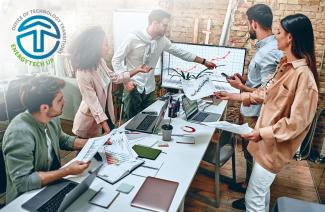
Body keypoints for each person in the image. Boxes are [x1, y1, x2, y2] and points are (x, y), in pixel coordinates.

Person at [215, 13, 319, 212]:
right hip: (263, 144)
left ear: (290, 38)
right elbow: (265, 94)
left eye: (279, 32)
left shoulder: (304, 78)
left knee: (254, 200)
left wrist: (261, 133)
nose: (275, 36)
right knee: (260, 193)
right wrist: (232, 96)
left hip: (272, 148)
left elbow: (296, 123)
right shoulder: (285, 66)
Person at [112, 9, 217, 121]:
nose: (166, 29)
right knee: (130, 123)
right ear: (155, 23)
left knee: (149, 121)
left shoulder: (162, 41)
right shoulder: (133, 38)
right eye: (165, 25)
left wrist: (204, 62)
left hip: (149, 89)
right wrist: (126, 81)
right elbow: (116, 60)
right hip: (133, 87)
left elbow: (181, 52)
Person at [227, 4, 283, 210]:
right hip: (252, 110)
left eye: (247, 23)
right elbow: (261, 83)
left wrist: (240, 87)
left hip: (257, 115)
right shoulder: (265, 46)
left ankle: (251, 193)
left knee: (252, 154)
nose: (247, 27)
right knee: (250, 154)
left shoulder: (268, 51)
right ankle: (249, 186)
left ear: (254, 23)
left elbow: (268, 93)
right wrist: (245, 82)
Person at [2, 76, 91, 203]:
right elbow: (23, 182)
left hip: (50, 187)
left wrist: (93, 143)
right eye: (60, 100)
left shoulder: (51, 118)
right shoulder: (19, 133)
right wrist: (67, 171)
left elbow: (63, 140)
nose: (64, 102)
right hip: (25, 199)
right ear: (44, 108)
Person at [70, 26, 151, 138]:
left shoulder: (100, 62)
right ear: (95, 47)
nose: (108, 47)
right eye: (105, 44)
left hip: (106, 117)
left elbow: (116, 78)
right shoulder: (82, 73)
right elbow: (94, 105)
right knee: (90, 154)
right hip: (90, 123)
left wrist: (137, 70)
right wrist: (108, 130)